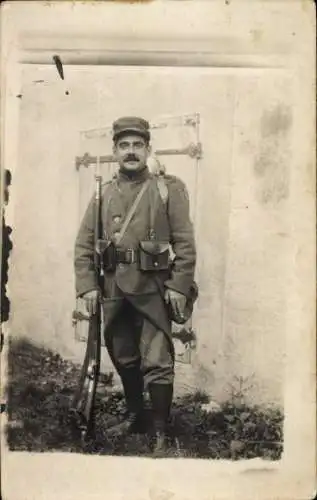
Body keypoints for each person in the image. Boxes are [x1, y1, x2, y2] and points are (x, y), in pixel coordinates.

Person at [74, 116, 197, 455]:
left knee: (157, 359)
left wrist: (179, 286)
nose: (131, 152)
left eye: (137, 145)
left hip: (153, 289)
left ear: (148, 149)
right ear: (115, 150)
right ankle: (136, 415)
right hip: (113, 289)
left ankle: (160, 432)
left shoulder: (166, 188)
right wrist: (86, 286)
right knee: (124, 356)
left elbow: (185, 244)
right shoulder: (104, 193)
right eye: (124, 146)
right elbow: (84, 244)